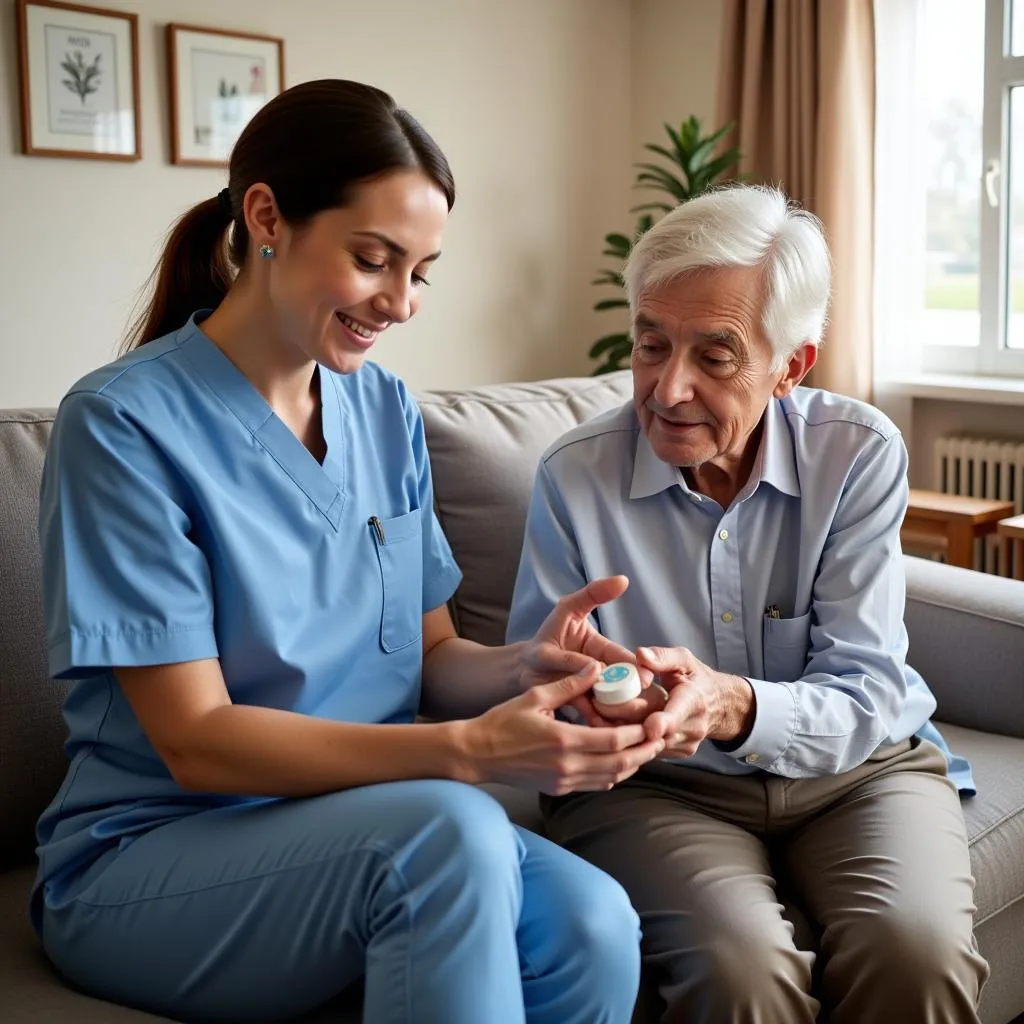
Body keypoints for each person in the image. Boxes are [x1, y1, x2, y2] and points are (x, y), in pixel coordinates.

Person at [33, 79, 664, 1024]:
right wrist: (467, 751)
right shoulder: (121, 426)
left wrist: (526, 669)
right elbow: (194, 740)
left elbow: (434, 656)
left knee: (596, 922)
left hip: (369, 824)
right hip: (157, 853)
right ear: (266, 217)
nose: (402, 302)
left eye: (421, 271)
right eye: (375, 259)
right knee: (448, 831)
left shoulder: (384, 409)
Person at [507, 185, 990, 1024]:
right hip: (661, 788)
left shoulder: (858, 455)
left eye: (716, 356)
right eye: (651, 345)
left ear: (791, 365)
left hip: (859, 771)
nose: (668, 388)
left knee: (914, 953)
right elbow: (538, 693)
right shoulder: (572, 477)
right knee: (741, 973)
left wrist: (731, 702)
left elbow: (869, 686)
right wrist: (586, 705)